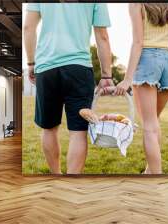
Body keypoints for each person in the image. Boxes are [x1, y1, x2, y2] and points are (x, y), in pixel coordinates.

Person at [23, 3, 114, 174]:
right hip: (79, 69)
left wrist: (31, 62)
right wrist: (106, 75)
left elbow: (28, 27)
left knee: (49, 129)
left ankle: (56, 177)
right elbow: (102, 36)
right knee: (78, 132)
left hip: (46, 69)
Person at [115, 3, 168, 174]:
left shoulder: (137, 4)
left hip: (147, 59)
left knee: (149, 125)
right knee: (154, 121)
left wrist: (127, 79)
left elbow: (138, 42)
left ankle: (156, 177)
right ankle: (149, 171)